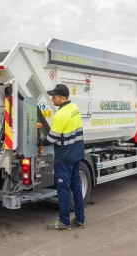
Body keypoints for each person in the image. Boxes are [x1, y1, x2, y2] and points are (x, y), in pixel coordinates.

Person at [38, 84, 86, 231]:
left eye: (55, 97)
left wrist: (39, 141)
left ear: (63, 98)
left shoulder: (60, 115)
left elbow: (51, 139)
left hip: (64, 157)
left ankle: (64, 222)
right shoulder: (75, 109)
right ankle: (80, 219)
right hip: (77, 154)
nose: (52, 99)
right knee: (76, 187)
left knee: (63, 189)